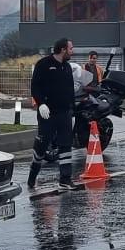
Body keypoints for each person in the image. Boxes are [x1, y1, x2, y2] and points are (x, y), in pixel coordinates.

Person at [28, 38, 78, 190]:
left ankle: (65, 179)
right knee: (42, 145)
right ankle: (33, 174)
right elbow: (35, 86)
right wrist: (41, 103)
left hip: (64, 113)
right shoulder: (43, 64)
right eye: (71, 48)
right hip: (47, 113)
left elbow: (70, 90)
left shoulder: (67, 67)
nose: (72, 51)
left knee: (65, 145)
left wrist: (72, 108)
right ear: (63, 49)